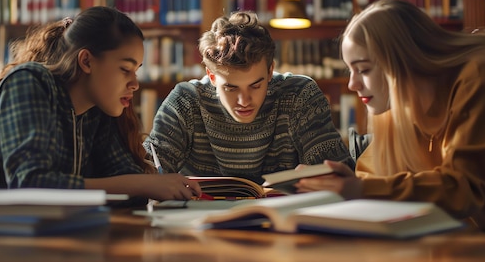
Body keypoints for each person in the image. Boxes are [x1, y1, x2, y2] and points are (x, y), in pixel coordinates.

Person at [0, 6, 201, 214]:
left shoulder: (97, 110)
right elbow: (30, 185)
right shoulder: (30, 82)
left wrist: (150, 186)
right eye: (124, 69)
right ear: (86, 61)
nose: (135, 84)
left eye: (136, 71)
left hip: (36, 235)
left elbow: (126, 182)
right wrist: (143, 184)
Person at [295, 0, 485, 238]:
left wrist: (361, 190)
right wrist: (338, 186)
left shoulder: (483, 74)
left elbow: (462, 188)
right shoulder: (403, 106)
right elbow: (374, 179)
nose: (352, 84)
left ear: (404, 59)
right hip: (476, 243)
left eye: (363, 69)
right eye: (350, 70)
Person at [144, 10, 354, 185]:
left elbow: (338, 178)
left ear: (271, 71)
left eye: (255, 85)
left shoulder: (300, 95)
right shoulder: (186, 101)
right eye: (231, 88)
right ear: (211, 76)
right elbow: (147, 175)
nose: (244, 101)